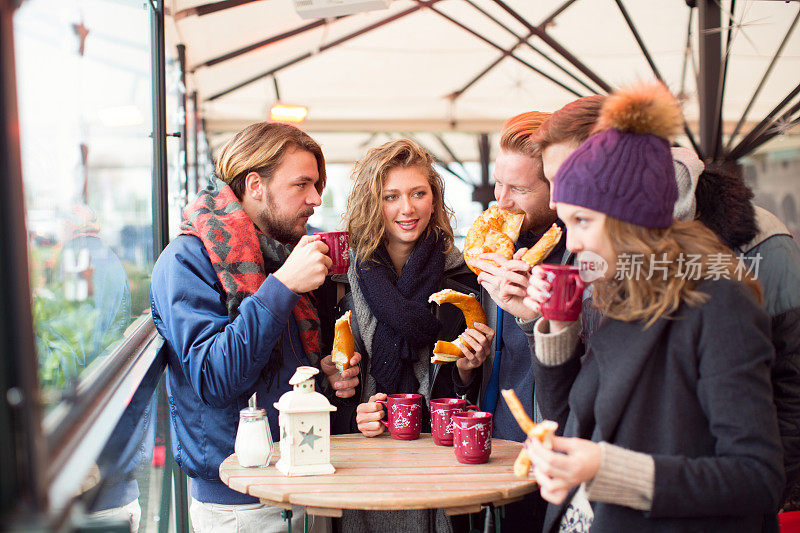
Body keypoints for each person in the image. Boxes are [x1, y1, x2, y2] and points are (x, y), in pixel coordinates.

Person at [522, 82, 784, 532]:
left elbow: (757, 478)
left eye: (583, 220)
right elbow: (568, 425)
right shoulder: (623, 290)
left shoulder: (718, 301)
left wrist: (606, 469)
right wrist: (557, 328)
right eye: (568, 223)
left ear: (631, 218)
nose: (575, 241)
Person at [150, 122, 360, 533]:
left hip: (306, 479)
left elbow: (281, 360)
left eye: (316, 185)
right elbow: (215, 378)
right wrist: (282, 286)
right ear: (255, 185)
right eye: (302, 184)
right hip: (239, 502)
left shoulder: (280, 251)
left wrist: (323, 371)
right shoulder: (184, 262)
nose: (316, 199)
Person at [337, 138, 494, 533]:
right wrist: (352, 407)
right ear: (374, 204)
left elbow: (465, 392)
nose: (407, 208)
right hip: (362, 459)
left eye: (418, 193)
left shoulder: (463, 279)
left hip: (438, 457)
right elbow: (329, 377)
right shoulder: (341, 281)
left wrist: (467, 369)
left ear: (434, 199)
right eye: (391, 196)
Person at [695, 165, 800, 513]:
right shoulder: (615, 251)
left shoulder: (763, 239)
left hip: (739, 489)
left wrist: (767, 488)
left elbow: (793, 376)